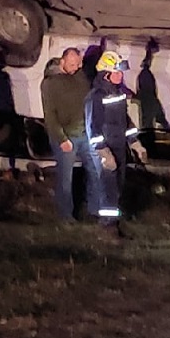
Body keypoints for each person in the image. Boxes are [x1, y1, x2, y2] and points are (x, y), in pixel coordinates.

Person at [84, 51, 148, 231]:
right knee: (108, 187)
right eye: (117, 72)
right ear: (106, 74)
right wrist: (103, 152)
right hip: (105, 150)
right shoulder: (96, 96)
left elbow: (124, 121)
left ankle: (113, 223)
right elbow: (92, 128)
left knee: (117, 186)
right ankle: (107, 228)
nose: (121, 76)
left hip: (118, 147)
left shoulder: (118, 93)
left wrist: (135, 142)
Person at [41, 47, 106, 223]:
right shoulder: (50, 83)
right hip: (66, 137)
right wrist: (61, 139)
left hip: (85, 133)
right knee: (65, 178)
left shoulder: (80, 76)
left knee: (96, 171)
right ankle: (66, 215)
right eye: (72, 64)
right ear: (62, 61)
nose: (76, 68)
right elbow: (50, 115)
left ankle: (96, 209)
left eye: (78, 64)